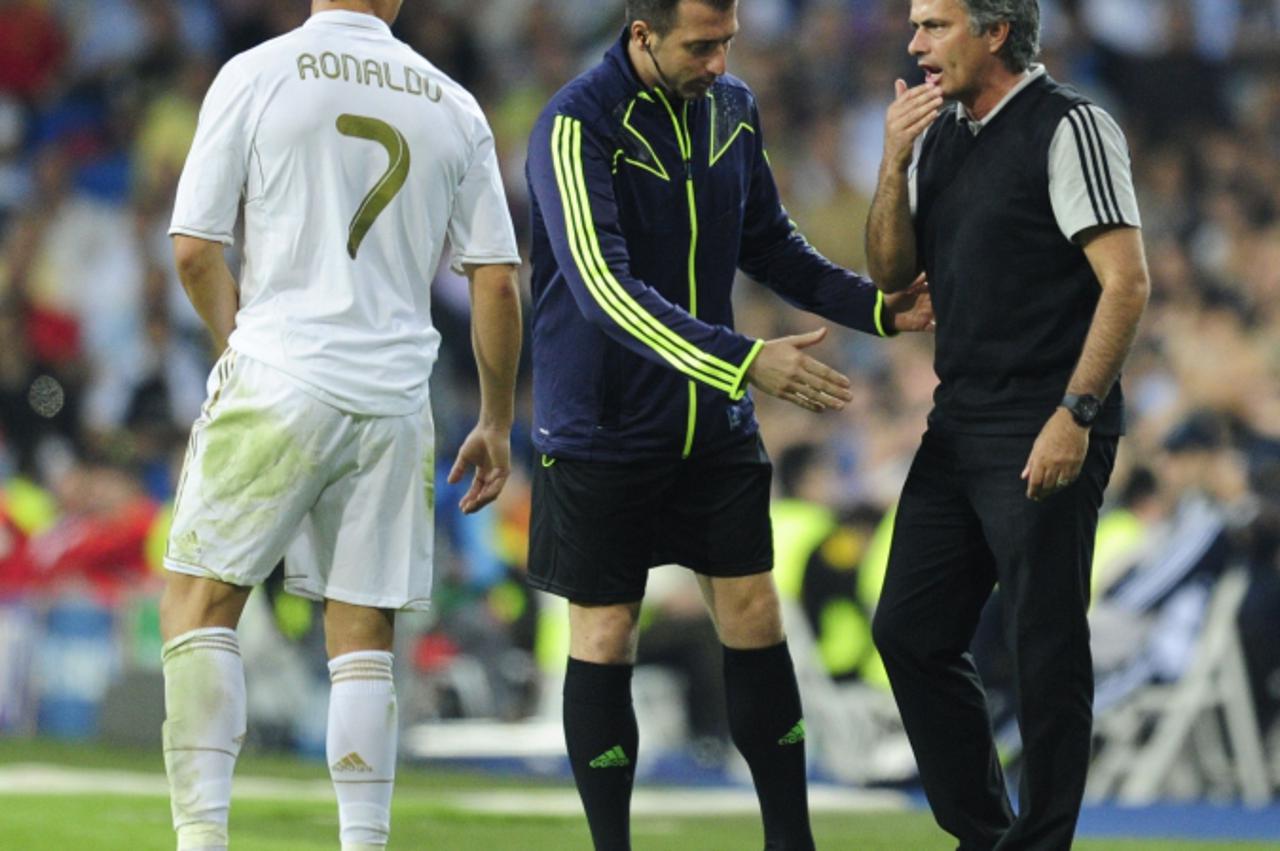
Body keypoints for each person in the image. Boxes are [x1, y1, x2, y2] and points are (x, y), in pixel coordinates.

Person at [523, 1, 933, 848]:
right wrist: (746, 362)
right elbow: (603, 285)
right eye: (701, 46)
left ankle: (792, 840)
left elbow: (771, 245)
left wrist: (879, 309)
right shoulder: (574, 123)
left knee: (754, 615)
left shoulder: (731, 108)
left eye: (728, 44)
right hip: (603, 427)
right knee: (606, 630)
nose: (719, 62)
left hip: (709, 421)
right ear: (642, 35)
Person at [157, 1, 522, 849]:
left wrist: (236, 340)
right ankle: (363, 840)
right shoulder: (453, 103)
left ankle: (202, 838)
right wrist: (498, 419)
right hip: (397, 397)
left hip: (280, 367)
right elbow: (497, 281)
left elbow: (193, 247)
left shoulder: (256, 72)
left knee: (202, 601)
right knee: (363, 633)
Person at [866, 1, 1150, 848]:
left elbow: (1127, 281)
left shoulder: (1071, 126)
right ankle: (987, 834)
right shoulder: (940, 133)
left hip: (1047, 416)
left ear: (995, 31)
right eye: (915, 25)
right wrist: (891, 161)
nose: (915, 44)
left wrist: (1077, 413)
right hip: (958, 420)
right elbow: (890, 274)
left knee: (1043, 642)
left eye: (935, 25)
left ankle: (1045, 840)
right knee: (909, 631)